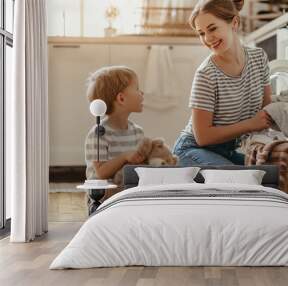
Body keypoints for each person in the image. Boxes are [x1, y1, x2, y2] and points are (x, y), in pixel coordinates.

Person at [173, 0, 273, 166]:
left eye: (212, 29)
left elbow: (266, 110)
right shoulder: (206, 74)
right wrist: (250, 124)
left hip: (227, 152)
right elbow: (203, 137)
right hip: (191, 150)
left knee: (268, 172)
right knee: (239, 179)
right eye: (201, 33)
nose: (208, 38)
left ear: (234, 23)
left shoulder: (259, 58)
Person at [84, 66, 151, 187]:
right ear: (121, 98)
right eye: (137, 88)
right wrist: (125, 156)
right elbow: (101, 173)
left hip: (126, 192)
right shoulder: (99, 134)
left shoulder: (137, 132)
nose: (142, 93)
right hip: (102, 197)